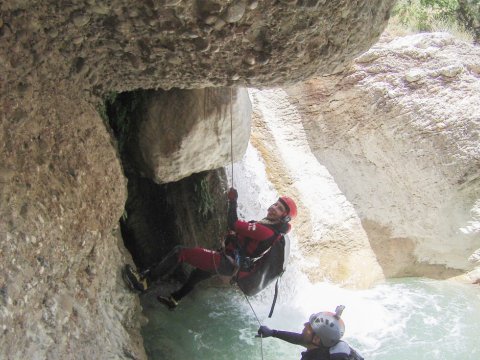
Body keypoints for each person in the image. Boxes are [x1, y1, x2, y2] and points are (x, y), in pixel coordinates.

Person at [122, 187, 297, 310]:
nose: (274, 207)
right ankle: (174, 299)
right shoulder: (270, 230)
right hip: (231, 263)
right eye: (276, 204)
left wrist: (233, 201)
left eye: (280, 208)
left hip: (226, 262)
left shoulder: (266, 231)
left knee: (180, 252)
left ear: (285, 218)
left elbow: (234, 223)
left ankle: (144, 282)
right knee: (197, 274)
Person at [257, 305, 364, 360]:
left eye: (309, 326)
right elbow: (300, 339)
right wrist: (273, 333)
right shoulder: (328, 345)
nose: (305, 325)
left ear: (316, 339)